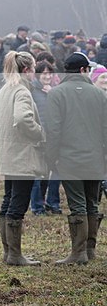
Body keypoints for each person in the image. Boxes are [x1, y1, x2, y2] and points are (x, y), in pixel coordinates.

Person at [45, 52, 107, 264]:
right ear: (84, 70)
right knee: (92, 203)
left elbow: (53, 130)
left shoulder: (56, 94)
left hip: (69, 158)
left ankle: (78, 252)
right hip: (96, 159)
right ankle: (90, 250)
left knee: (78, 205)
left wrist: (50, 158)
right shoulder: (100, 95)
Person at [0, 51, 44, 266]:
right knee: (18, 202)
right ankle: (15, 255)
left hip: (8, 155)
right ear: (27, 70)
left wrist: (8, 134)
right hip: (23, 156)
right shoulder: (22, 92)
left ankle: (9, 253)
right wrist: (39, 133)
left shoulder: (4, 90)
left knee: (8, 200)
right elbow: (22, 118)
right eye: (34, 68)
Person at [29, 60, 61, 216]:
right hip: (39, 137)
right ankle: (37, 206)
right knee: (39, 173)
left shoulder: (54, 91)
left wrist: (53, 94)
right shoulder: (32, 90)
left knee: (56, 170)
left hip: (54, 137)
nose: (47, 76)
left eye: (50, 73)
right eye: (44, 73)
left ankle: (52, 202)